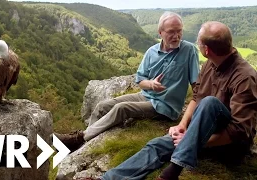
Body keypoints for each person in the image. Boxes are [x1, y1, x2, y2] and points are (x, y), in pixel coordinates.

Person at [100, 21, 257, 180]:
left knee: (210, 103)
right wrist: (182, 126)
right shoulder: (210, 64)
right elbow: (196, 97)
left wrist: (193, 140)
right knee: (156, 145)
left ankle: (172, 172)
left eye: (199, 42)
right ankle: (107, 179)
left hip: (228, 145)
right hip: (199, 132)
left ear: (206, 50)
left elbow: (240, 132)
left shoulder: (245, 77)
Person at [55, 11, 200, 152]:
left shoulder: (189, 50)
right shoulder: (151, 52)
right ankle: (85, 143)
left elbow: (197, 86)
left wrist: (195, 115)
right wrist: (151, 84)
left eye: (179, 31)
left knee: (122, 108)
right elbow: (140, 80)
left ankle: (79, 139)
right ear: (160, 32)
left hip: (165, 106)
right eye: (171, 32)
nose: (176, 36)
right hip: (145, 95)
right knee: (102, 106)